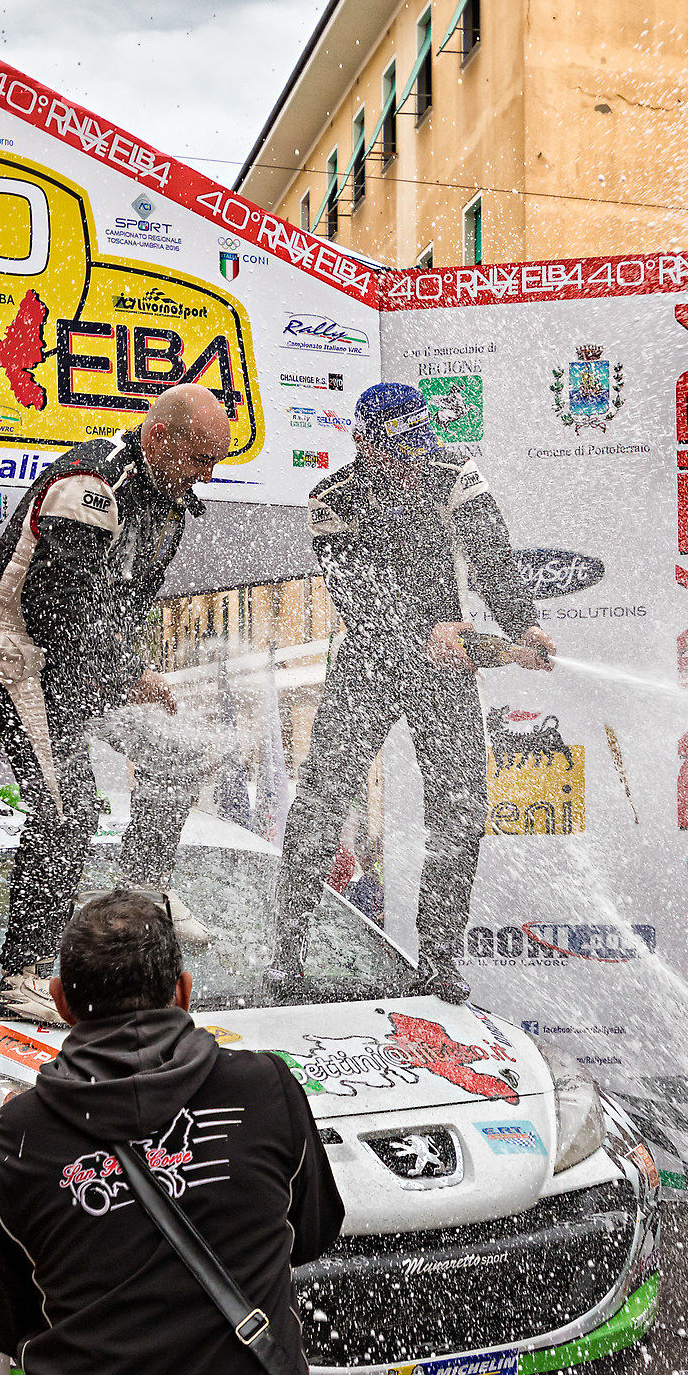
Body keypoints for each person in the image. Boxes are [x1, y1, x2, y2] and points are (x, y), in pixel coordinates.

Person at [0, 891, 343, 1375]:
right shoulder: (265, 1090)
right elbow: (314, 1233)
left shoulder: (11, 1141)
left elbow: (7, 1322)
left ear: (60, 1001)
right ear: (184, 991)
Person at [272, 382, 553, 1004]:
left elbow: (493, 558)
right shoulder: (331, 498)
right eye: (399, 453)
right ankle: (286, 957)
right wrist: (424, 631)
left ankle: (438, 962)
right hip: (367, 664)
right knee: (320, 803)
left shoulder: (454, 474)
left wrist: (521, 626)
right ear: (364, 443)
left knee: (460, 810)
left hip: (445, 671)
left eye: (419, 448)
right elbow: (357, 594)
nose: (412, 463)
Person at [0, 383, 235, 1023]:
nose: (207, 476)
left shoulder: (171, 500)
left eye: (215, 463)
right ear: (159, 437)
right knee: (69, 812)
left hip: (82, 657)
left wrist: (129, 669)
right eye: (201, 459)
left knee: (181, 755)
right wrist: (124, 675)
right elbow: (58, 609)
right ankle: (23, 973)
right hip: (18, 648)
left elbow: (128, 605)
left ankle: (143, 892)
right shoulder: (90, 485)